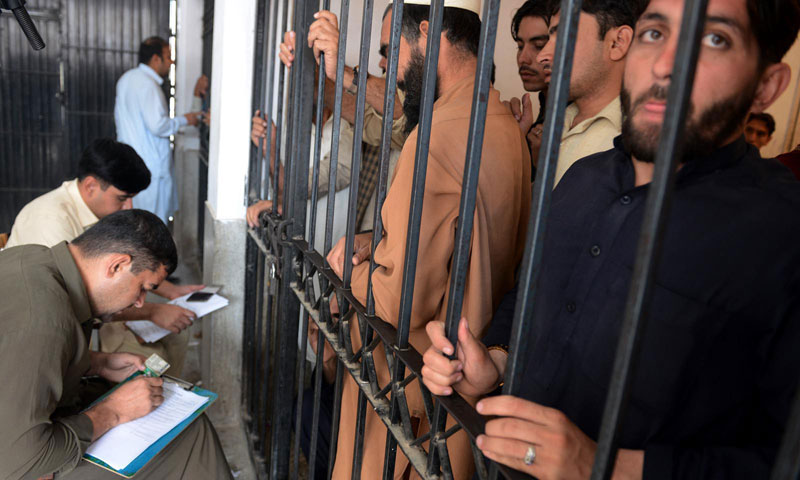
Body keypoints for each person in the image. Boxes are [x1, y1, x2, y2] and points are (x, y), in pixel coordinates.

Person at [421, 0, 800, 478]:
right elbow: (531, 295)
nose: (665, 63)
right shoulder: (583, 177)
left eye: (714, 39)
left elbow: (783, 458)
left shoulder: (782, 233)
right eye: (654, 33)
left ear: (766, 86)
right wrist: (493, 362)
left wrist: (606, 467)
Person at [323, 0, 532, 478]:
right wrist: (375, 243)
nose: (391, 72)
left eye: (389, 52)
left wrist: (348, 277)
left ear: (427, 33)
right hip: (460, 397)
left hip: (410, 393)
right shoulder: (504, 126)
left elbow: (400, 301)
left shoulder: (438, 133)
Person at [0, 209, 232, 480]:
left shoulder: (33, 257)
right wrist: (113, 411)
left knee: (180, 420)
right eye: (144, 287)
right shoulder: (44, 321)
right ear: (116, 265)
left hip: (25, 424)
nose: (140, 303)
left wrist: (96, 363)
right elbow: (20, 460)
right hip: (19, 457)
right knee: (187, 439)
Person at [6, 138, 203, 375]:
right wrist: (151, 311)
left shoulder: (95, 212)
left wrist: (168, 290)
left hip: (97, 320)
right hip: (69, 331)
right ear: (91, 186)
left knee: (175, 336)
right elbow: (73, 300)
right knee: (152, 367)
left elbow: (133, 261)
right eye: (122, 197)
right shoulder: (50, 221)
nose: (129, 206)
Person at [247, 4, 407, 233]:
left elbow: (330, 176)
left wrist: (329, 71)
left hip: (334, 250)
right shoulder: (291, 124)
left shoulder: (350, 122)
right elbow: (284, 188)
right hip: (297, 243)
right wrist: (269, 147)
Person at [509, 0, 640, 185]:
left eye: (562, 37)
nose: (542, 56)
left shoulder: (637, 141)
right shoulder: (556, 122)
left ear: (617, 43)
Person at [115, 36, 204, 224]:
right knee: (152, 225)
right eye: (168, 56)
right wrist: (184, 120)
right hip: (151, 169)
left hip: (130, 165)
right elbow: (158, 126)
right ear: (156, 59)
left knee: (136, 223)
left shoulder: (127, 79)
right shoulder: (148, 85)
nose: (171, 61)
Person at [505, 0, 554, 165]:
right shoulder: (546, 108)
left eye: (539, 46)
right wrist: (517, 138)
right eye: (519, 46)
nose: (522, 59)